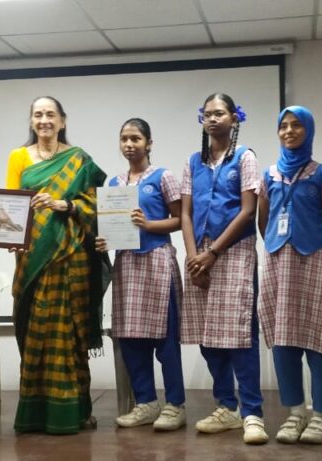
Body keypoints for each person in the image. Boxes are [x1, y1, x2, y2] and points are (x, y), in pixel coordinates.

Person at [4, 96, 108, 434]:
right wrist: (7, 236)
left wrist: (65, 204)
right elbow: (9, 205)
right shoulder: (19, 157)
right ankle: (35, 414)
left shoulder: (79, 160)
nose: (44, 120)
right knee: (35, 331)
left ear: (62, 120)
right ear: (31, 121)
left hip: (70, 257)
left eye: (50, 114)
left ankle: (76, 411)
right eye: (38, 114)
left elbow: (97, 205)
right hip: (33, 257)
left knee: (70, 333)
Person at [180, 93, 267, 444]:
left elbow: (248, 211)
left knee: (239, 335)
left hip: (234, 252)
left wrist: (212, 253)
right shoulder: (193, 161)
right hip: (198, 256)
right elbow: (185, 213)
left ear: (234, 118)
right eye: (208, 114)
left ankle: (252, 413)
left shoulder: (245, 157)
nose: (213, 119)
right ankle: (226, 406)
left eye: (220, 113)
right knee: (207, 335)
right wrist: (193, 257)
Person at [96, 118, 187, 431]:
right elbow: (113, 228)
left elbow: (180, 219)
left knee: (166, 339)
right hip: (126, 265)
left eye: (135, 138)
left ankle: (175, 405)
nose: (129, 144)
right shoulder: (113, 184)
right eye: (124, 139)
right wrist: (104, 241)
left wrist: (148, 225)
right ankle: (146, 403)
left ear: (149, 143)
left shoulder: (163, 177)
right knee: (131, 339)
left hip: (157, 261)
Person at [256, 106, 322, 445]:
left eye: (296, 126)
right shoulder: (269, 175)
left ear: (309, 131)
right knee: (283, 341)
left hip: (313, 261)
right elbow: (263, 220)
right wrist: (279, 244)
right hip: (277, 263)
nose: (289, 131)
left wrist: (313, 244)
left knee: (317, 340)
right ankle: (295, 412)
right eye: (284, 126)